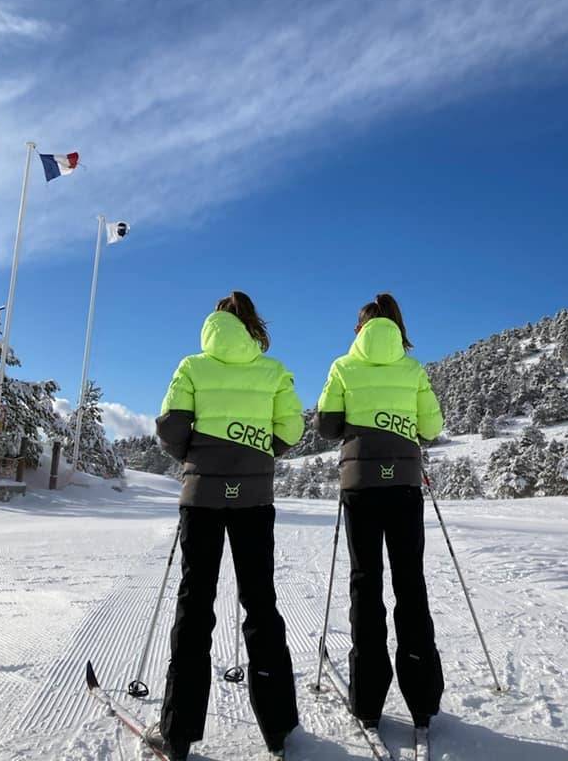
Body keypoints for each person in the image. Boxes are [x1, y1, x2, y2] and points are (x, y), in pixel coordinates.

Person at [145, 291, 304, 761]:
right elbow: (292, 430)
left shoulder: (192, 366)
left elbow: (171, 428)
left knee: (195, 606)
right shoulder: (273, 371)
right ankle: (277, 728)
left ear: (214, 322)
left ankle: (177, 735)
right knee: (260, 602)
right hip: (254, 499)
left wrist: (197, 457)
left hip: (202, 501)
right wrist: (255, 455)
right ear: (253, 324)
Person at [315, 292, 444, 732]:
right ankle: (422, 700)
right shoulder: (413, 370)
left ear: (361, 329)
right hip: (405, 486)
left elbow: (327, 425)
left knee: (365, 587)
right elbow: (431, 428)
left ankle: (367, 700)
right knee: (411, 584)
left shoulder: (343, 366)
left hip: (361, 488)